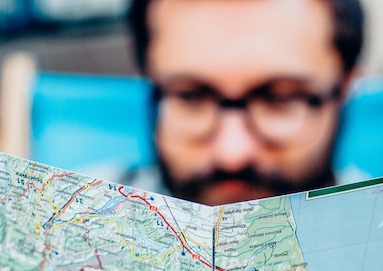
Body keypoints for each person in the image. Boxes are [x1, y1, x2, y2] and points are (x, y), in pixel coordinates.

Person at [127, 0, 364, 206]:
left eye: (280, 98)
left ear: (345, 88)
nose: (232, 154)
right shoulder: (90, 219)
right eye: (192, 96)